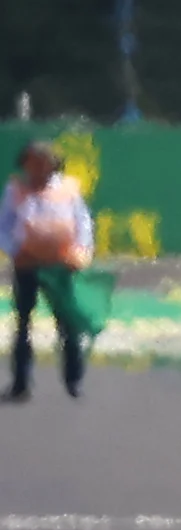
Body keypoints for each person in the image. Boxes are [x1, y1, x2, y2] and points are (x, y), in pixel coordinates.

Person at [3, 141, 96, 401]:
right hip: (27, 265)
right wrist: (14, 250)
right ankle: (21, 383)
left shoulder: (67, 188)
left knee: (67, 323)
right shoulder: (16, 189)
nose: (38, 167)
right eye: (33, 162)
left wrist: (82, 252)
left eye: (43, 162)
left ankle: (73, 380)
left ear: (53, 164)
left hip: (60, 266)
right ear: (25, 163)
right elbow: (4, 225)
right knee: (23, 324)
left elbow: (83, 222)